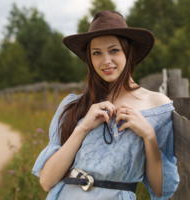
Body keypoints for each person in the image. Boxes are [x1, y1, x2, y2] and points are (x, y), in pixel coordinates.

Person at [32, 10, 179, 200]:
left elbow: (161, 190)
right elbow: (46, 181)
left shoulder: (156, 106)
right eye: (96, 53)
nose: (106, 61)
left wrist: (149, 136)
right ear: (90, 59)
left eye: (114, 50)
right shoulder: (74, 106)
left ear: (128, 52)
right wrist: (83, 127)